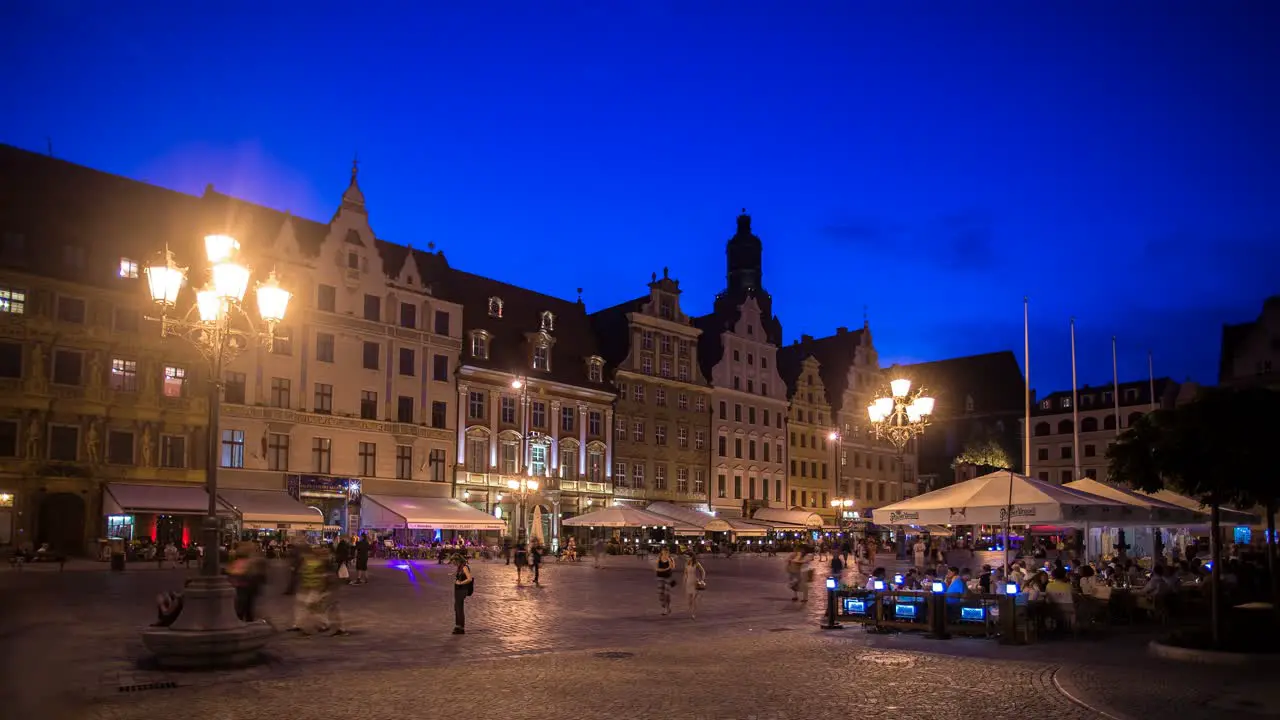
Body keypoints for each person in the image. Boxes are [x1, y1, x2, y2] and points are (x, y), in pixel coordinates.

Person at [453, 553, 474, 634]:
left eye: (454, 561)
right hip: (458, 590)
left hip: (462, 590)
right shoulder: (459, 567)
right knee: (457, 608)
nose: (453, 563)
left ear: (458, 560)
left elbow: (469, 579)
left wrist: (461, 583)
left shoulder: (464, 567)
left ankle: (461, 627)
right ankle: (458, 625)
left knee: (459, 608)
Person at [682, 552, 706, 619]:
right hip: (688, 582)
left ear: (692, 557)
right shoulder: (686, 564)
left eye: (687, 557)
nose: (686, 558)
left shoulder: (696, 563)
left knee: (694, 599)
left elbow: (703, 571)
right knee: (689, 600)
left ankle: (693, 613)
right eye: (686, 557)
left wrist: (702, 580)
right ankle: (691, 609)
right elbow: (685, 574)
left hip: (695, 582)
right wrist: (684, 582)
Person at [655, 547, 675, 615]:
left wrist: (669, 561)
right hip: (660, 577)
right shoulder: (659, 559)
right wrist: (666, 569)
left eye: (667, 552)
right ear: (662, 552)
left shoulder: (671, 559)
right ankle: (664, 605)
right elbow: (657, 569)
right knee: (660, 593)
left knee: (667, 594)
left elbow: (672, 567)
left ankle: (667, 608)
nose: (665, 553)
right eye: (664, 551)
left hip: (667, 577)